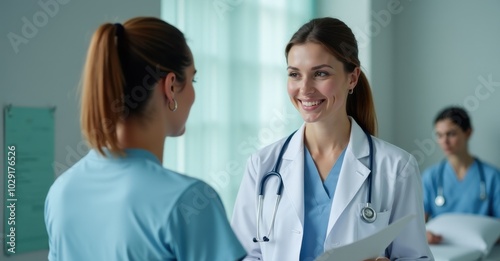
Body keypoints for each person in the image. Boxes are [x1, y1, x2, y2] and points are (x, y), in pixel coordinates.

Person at [231, 17, 433, 261]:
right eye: (295, 74)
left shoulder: (396, 168)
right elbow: (243, 255)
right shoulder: (262, 165)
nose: (304, 89)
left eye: (321, 74)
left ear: (352, 78)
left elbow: (415, 257)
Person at [44, 17, 246, 261]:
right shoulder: (189, 201)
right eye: (193, 80)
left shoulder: (61, 192)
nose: (194, 94)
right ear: (170, 87)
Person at [422, 106, 500, 244]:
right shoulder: (431, 177)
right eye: (439, 135)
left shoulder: (492, 176)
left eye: (451, 134)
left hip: (483, 252)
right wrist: (424, 234)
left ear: (468, 133)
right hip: (442, 250)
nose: (444, 141)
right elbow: (417, 223)